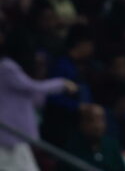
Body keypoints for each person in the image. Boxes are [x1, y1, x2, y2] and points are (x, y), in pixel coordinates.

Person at [0, 31, 76, 171]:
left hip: (16, 139)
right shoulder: (7, 67)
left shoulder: (16, 69)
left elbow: (36, 98)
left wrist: (41, 71)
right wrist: (61, 84)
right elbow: (32, 87)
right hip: (6, 137)